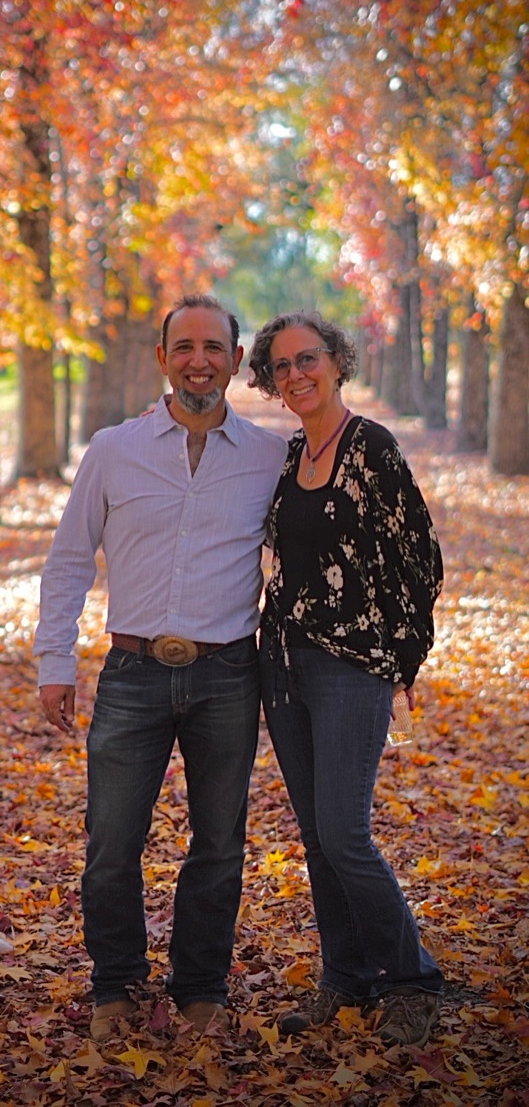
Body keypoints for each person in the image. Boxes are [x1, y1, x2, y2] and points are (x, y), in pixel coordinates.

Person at [34, 294, 288, 1041]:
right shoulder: (113, 449)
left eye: (214, 347)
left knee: (218, 841)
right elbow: (68, 559)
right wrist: (56, 662)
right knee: (111, 840)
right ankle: (114, 984)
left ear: (237, 361)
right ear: (162, 357)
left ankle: (201, 986)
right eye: (185, 346)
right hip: (132, 671)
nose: (199, 360)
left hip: (227, 676)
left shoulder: (272, 457)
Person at [247, 310, 444, 1047]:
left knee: (345, 832)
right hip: (283, 664)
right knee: (318, 838)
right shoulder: (294, 452)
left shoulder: (373, 449)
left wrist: (400, 656)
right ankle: (346, 976)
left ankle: (414, 978)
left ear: (336, 361)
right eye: (281, 366)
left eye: (308, 359)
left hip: (351, 669)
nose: (296, 374)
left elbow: (422, 563)